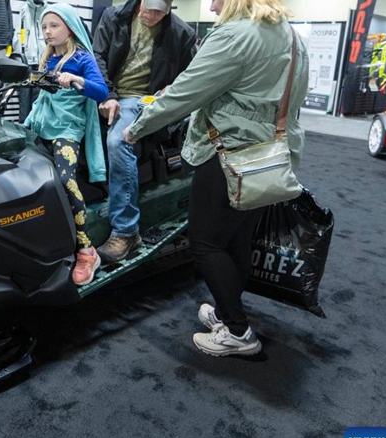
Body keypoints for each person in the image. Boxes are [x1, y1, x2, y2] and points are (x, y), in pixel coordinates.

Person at [122, 0, 309, 356]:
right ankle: (228, 314)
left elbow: (186, 92)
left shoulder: (235, 34)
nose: (210, 3)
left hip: (229, 154)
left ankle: (238, 333)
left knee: (205, 242)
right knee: (236, 239)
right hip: (269, 157)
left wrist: (135, 129)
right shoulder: (291, 36)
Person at [92, 0, 197, 263]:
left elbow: (192, 76)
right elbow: (97, 57)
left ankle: (126, 231)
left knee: (119, 141)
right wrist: (107, 94)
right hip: (108, 92)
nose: (152, 16)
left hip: (142, 100)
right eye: (148, 9)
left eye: (160, 12)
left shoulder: (181, 33)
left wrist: (171, 89)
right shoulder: (113, 17)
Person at [23, 4, 108, 286]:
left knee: (65, 180)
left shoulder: (83, 59)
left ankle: (86, 250)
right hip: (40, 125)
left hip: (66, 131)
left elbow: (101, 91)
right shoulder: (47, 58)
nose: (47, 31)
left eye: (54, 26)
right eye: (44, 27)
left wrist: (76, 79)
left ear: (69, 27)